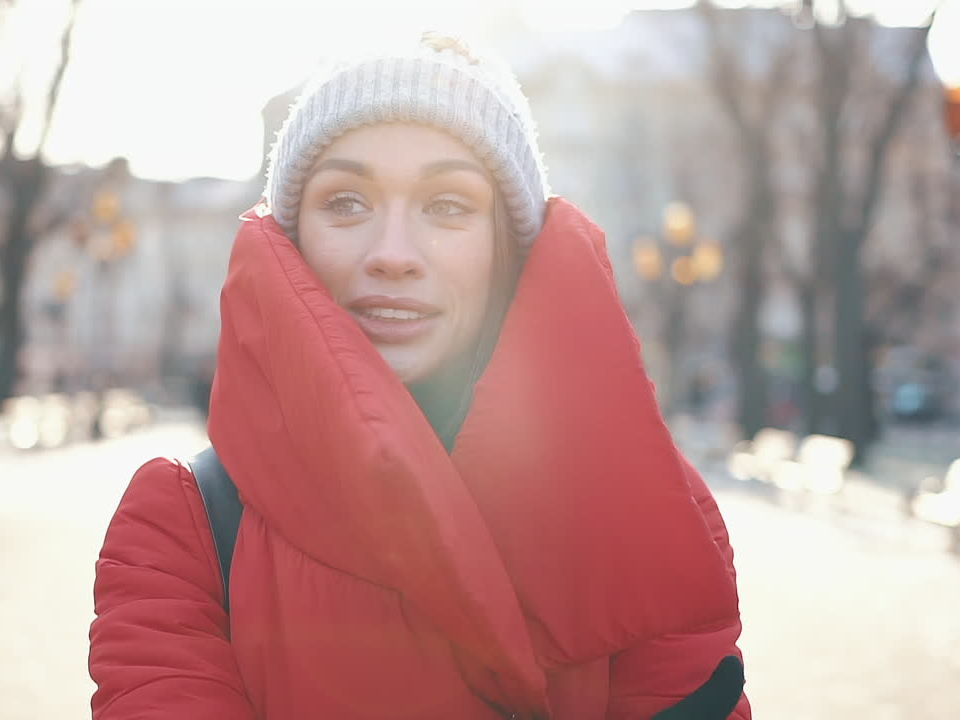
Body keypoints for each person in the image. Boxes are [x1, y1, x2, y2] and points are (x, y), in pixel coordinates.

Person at [89, 32, 751, 720]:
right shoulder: (183, 522)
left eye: (448, 205)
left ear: (509, 248)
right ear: (290, 240)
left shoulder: (652, 514)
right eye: (346, 202)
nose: (393, 254)